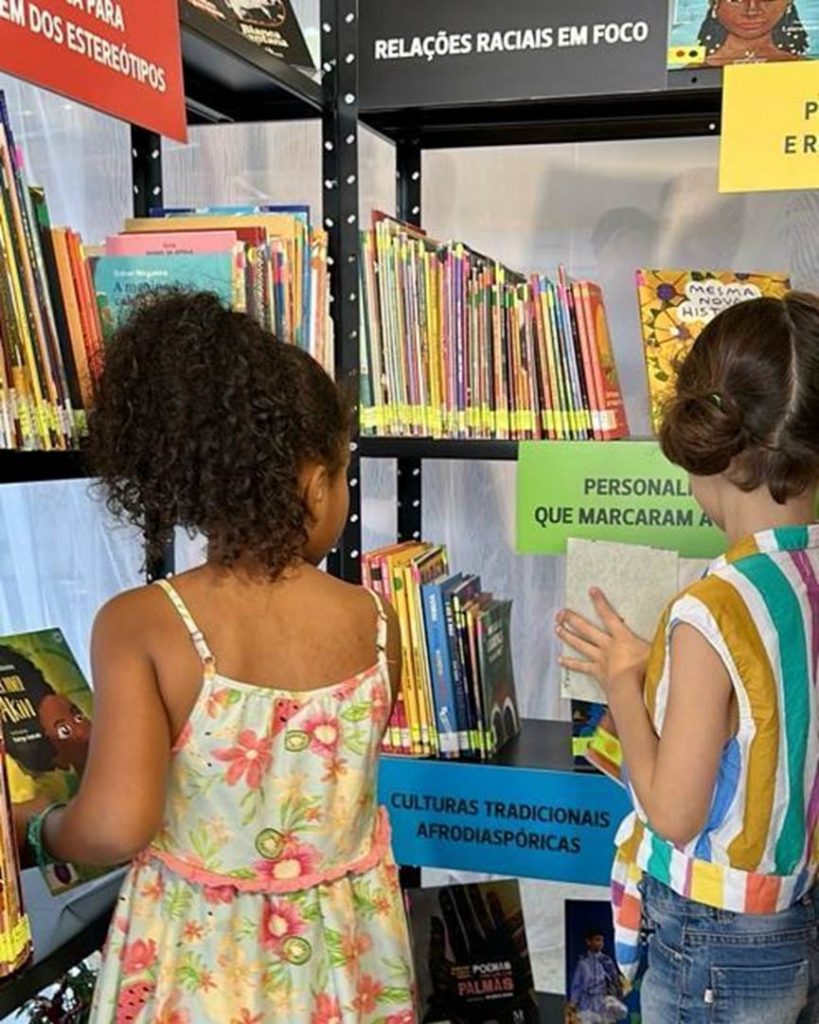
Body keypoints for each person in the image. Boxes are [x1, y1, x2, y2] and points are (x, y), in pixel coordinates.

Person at [19, 290, 415, 1022]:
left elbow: (114, 825)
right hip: (342, 964)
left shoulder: (141, 625)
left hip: (200, 964)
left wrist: (41, 826)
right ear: (313, 479)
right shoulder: (376, 620)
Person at [557, 293, 819, 1023]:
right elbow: (775, 703)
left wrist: (623, 683)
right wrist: (675, 673)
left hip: (712, 937)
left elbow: (674, 813)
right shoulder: (801, 578)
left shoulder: (709, 609)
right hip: (795, 913)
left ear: (706, 444)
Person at [697, 0, 808, 66]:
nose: (752, 11)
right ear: (714, 4)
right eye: (736, 0)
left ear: (788, 3)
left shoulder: (809, 67)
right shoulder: (694, 70)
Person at [567, 929, 627, 1024]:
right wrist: (573, 1003)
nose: (600, 943)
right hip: (587, 1005)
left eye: (602, 940)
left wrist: (618, 995)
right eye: (597, 940)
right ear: (588, 942)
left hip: (604, 1003)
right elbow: (577, 985)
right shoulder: (583, 963)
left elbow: (614, 981)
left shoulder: (607, 961)